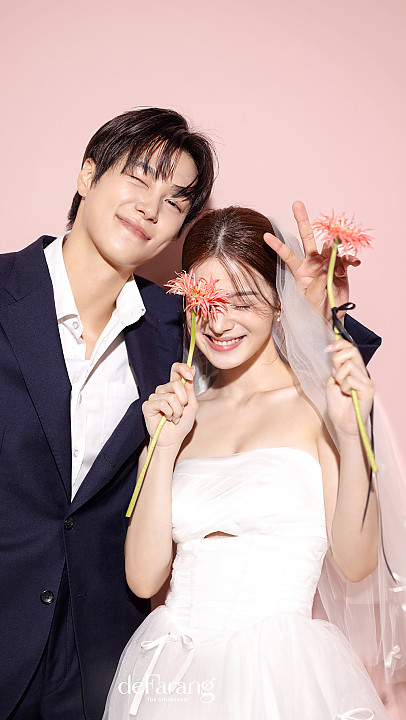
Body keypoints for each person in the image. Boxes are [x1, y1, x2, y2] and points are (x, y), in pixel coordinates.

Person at [0, 108, 216, 720]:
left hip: (95, 666)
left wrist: (317, 300)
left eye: (174, 201)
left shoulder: (175, 335)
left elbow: (280, 360)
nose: (150, 207)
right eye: (139, 178)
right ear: (88, 175)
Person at [101, 207, 400, 719]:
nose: (218, 323)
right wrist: (163, 449)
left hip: (281, 674)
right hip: (175, 674)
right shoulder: (184, 413)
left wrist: (351, 439)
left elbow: (356, 563)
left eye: (242, 302)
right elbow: (144, 580)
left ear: (280, 302)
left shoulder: (318, 405)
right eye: (205, 301)